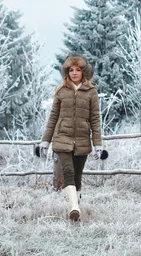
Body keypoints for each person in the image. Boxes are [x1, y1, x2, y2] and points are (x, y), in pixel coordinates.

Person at [37, 53, 103, 221]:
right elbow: (53, 117)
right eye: (71, 70)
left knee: (77, 176)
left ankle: (75, 204)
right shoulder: (61, 91)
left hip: (82, 139)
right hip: (62, 138)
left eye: (78, 70)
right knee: (68, 171)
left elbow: (95, 119)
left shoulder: (91, 91)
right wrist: (45, 140)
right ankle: (74, 208)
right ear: (67, 72)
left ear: (83, 72)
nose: (74, 73)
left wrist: (98, 143)